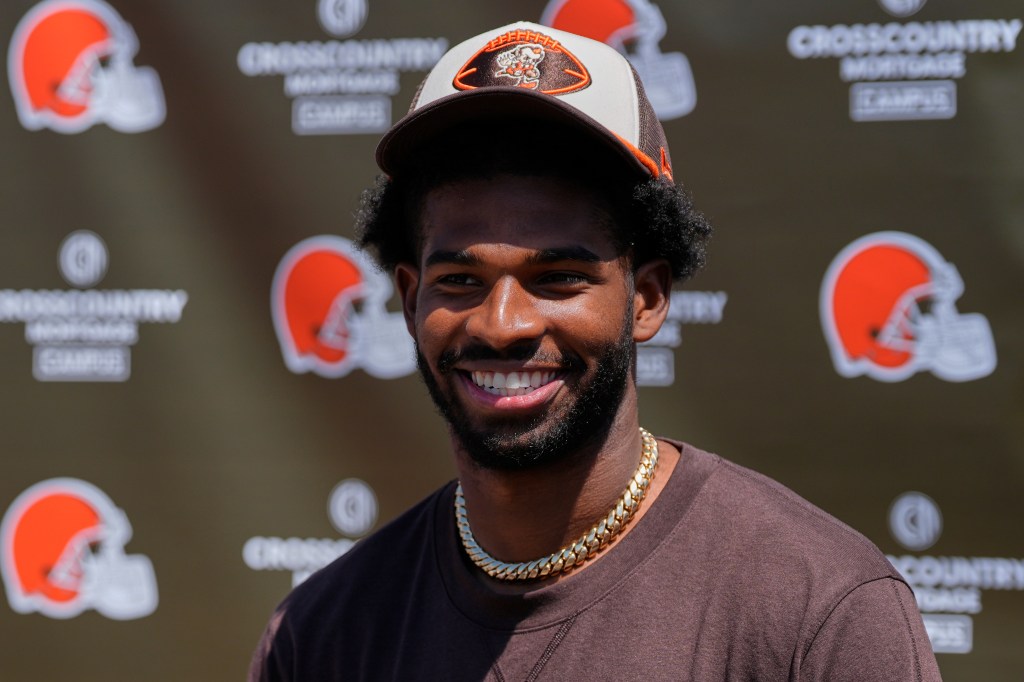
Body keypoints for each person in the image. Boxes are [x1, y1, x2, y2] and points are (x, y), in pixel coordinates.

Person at [250, 21, 942, 681]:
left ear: (646, 299)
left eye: (558, 279)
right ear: (409, 300)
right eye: (460, 280)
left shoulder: (820, 611)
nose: (503, 324)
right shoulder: (323, 630)